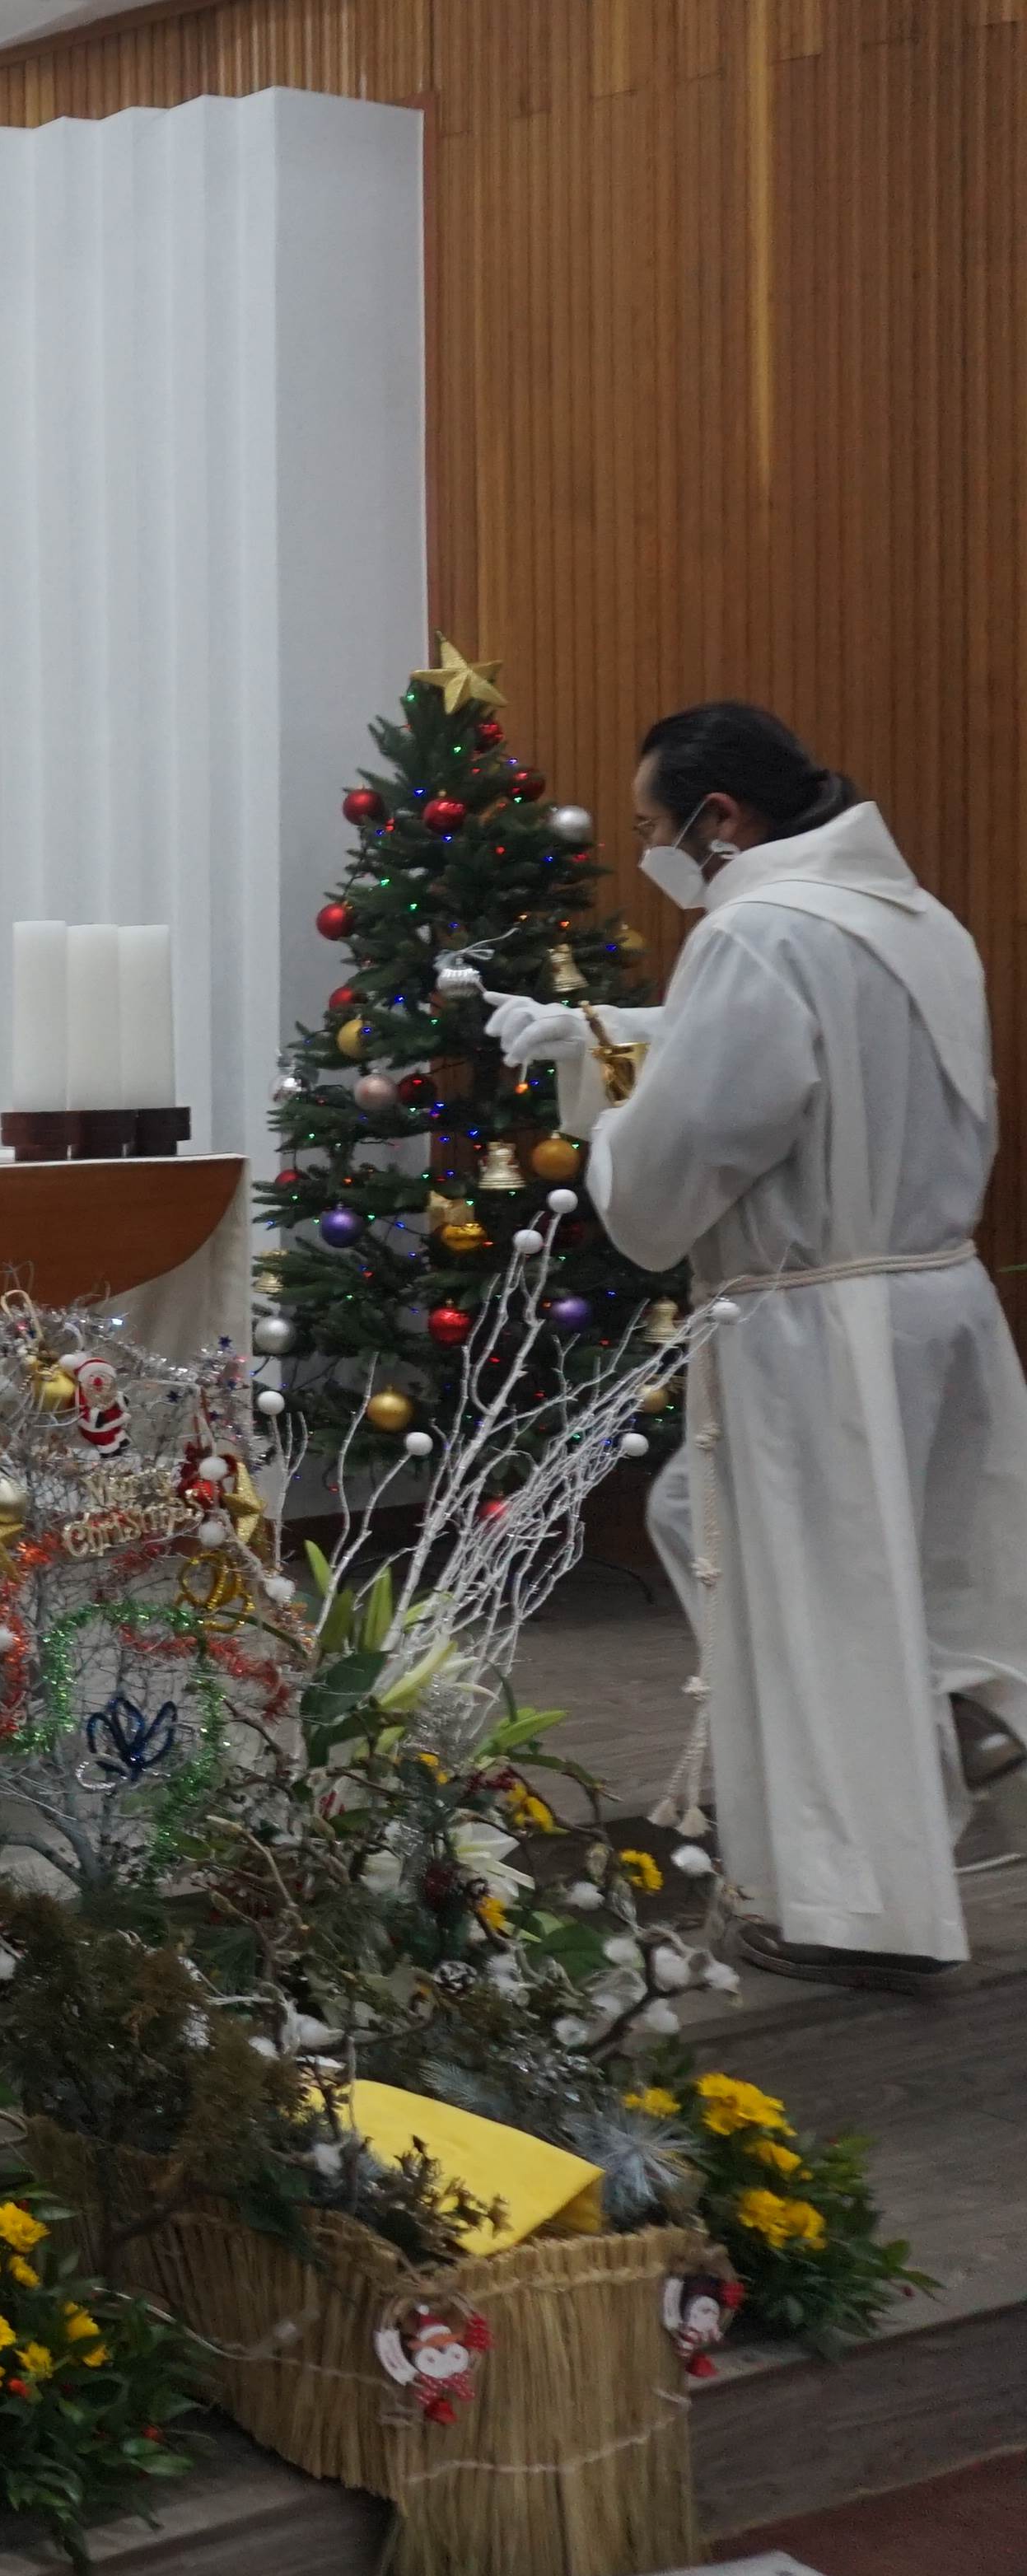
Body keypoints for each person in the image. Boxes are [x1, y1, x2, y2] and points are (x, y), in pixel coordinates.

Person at [490, 704, 1027, 1986]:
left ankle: (852, 1907)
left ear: (720, 817)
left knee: (814, 1604)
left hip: (814, 1322)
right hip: (933, 1297)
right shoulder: (912, 919)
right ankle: (963, 1699)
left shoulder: (752, 931)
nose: (652, 855)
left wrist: (610, 1135)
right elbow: (825, 1059)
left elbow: (686, 1155)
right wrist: (608, 1037)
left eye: (653, 828)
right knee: (812, 1547)